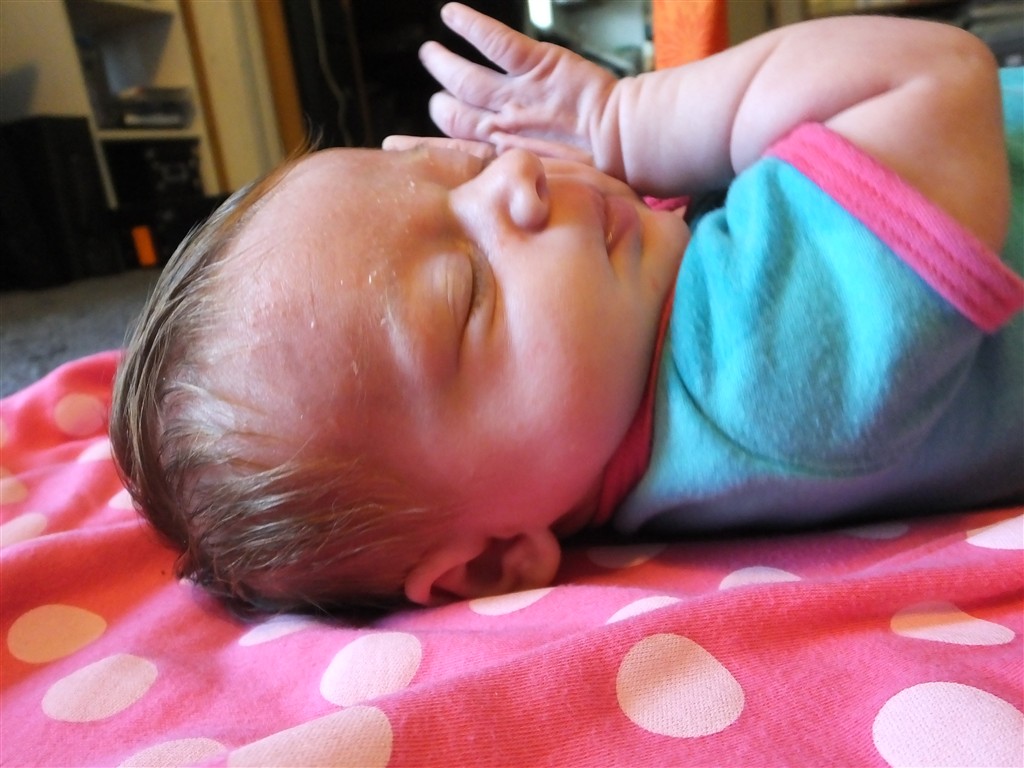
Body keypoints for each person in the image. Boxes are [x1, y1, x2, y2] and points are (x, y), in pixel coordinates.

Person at [111, 3, 1024, 614]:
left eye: (460, 166)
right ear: (489, 562)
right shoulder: (753, 371)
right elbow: (926, 72)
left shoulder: (621, 345)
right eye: (468, 289)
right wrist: (624, 120)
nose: (515, 178)